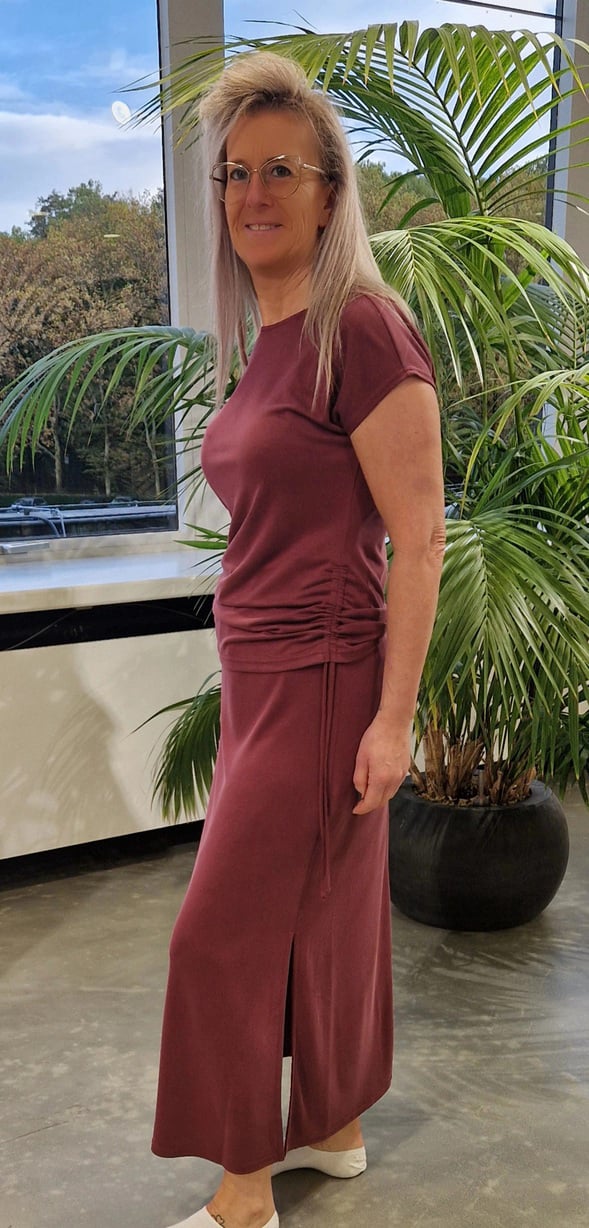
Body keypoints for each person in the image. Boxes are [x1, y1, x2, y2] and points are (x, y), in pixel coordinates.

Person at [151, 51, 446, 1228]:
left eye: (281, 170)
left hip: (325, 675)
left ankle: (242, 1197)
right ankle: (333, 1129)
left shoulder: (361, 327)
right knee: (321, 912)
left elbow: (420, 539)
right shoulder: (267, 337)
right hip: (262, 678)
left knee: (215, 937)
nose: (252, 193)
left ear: (330, 194)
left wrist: (392, 718)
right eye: (234, 173)